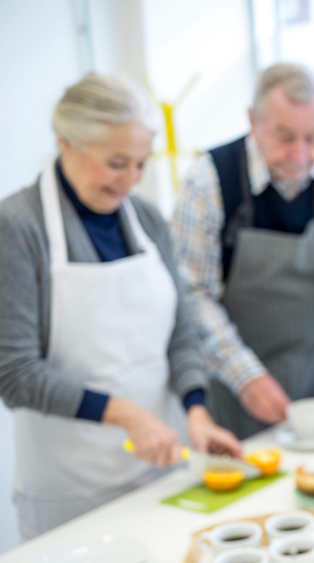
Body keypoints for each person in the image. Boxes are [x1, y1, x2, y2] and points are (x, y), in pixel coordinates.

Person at [0, 73, 241, 539]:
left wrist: (196, 409)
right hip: (71, 489)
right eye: (116, 163)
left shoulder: (148, 220)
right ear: (65, 143)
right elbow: (15, 374)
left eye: (140, 165)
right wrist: (128, 415)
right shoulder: (17, 227)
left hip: (161, 471)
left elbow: (180, 333)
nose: (130, 181)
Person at [171, 63, 314, 439]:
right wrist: (246, 376)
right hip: (231, 392)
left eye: (313, 138)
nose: (301, 155)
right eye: (285, 138)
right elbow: (192, 293)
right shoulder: (209, 179)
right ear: (253, 120)